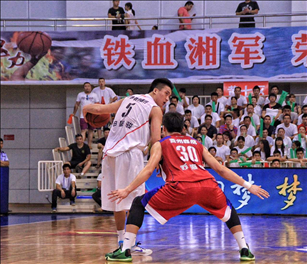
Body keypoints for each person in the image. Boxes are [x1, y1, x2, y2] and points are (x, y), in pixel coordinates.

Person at [105, 112, 269, 262]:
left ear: (164, 128)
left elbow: (148, 170)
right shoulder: (196, 143)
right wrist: (248, 185)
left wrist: (126, 189)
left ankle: (125, 249)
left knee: (138, 203)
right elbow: (220, 169)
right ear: (183, 128)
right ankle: (244, 249)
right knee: (228, 209)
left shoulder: (161, 143)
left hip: (181, 187)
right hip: (208, 184)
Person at [83, 78, 173, 255]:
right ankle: (129, 245)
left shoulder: (128, 99)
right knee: (135, 202)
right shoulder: (155, 109)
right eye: (166, 93)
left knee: (119, 201)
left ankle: (122, 241)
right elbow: (156, 140)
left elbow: (99, 109)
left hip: (110, 155)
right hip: (130, 154)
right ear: (155, 91)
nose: (168, 98)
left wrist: (86, 110)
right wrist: (157, 160)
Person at [72, 82, 99, 148]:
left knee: (91, 130)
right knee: (83, 130)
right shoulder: (80, 94)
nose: (87, 87)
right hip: (83, 116)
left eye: (88, 86)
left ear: (91, 87)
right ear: (84, 87)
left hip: (92, 116)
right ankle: (83, 145)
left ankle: (89, 144)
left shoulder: (94, 95)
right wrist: (73, 113)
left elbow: (98, 105)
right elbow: (77, 104)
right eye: (85, 86)